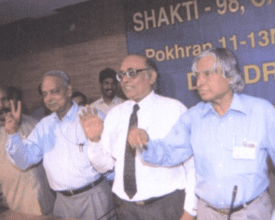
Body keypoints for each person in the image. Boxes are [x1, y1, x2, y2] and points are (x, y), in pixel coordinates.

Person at [127, 48, 275, 220]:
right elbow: (169, 153)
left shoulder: (261, 112)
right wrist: (144, 143)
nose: (199, 82)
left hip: (252, 212)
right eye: (197, 76)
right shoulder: (193, 118)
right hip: (208, 213)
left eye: (207, 74)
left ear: (230, 75)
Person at [80, 55, 197, 220]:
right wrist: (94, 140)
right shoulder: (115, 115)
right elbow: (104, 166)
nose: (125, 80)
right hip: (126, 209)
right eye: (122, 75)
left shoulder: (174, 110)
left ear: (152, 76)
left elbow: (192, 167)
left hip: (166, 206)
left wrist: (190, 211)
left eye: (132, 73)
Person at [3, 71, 115, 220]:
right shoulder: (43, 126)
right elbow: (24, 161)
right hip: (62, 202)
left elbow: (112, 160)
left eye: (54, 92)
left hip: (94, 197)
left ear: (69, 91)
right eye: (44, 94)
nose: (49, 98)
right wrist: (13, 133)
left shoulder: (92, 116)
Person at [0, 86, 55, 215]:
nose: (1, 105)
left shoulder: (33, 123)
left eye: (4, 99)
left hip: (48, 202)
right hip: (18, 206)